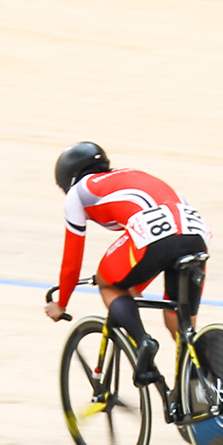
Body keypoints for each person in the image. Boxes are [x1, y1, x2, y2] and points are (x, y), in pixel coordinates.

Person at [43, 142, 209, 388]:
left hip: (156, 238)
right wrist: (135, 285)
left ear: (69, 178)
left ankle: (143, 342)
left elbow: (72, 261)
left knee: (106, 282)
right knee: (179, 321)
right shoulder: (129, 174)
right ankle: (204, 382)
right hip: (197, 235)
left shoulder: (78, 192)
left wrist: (61, 303)